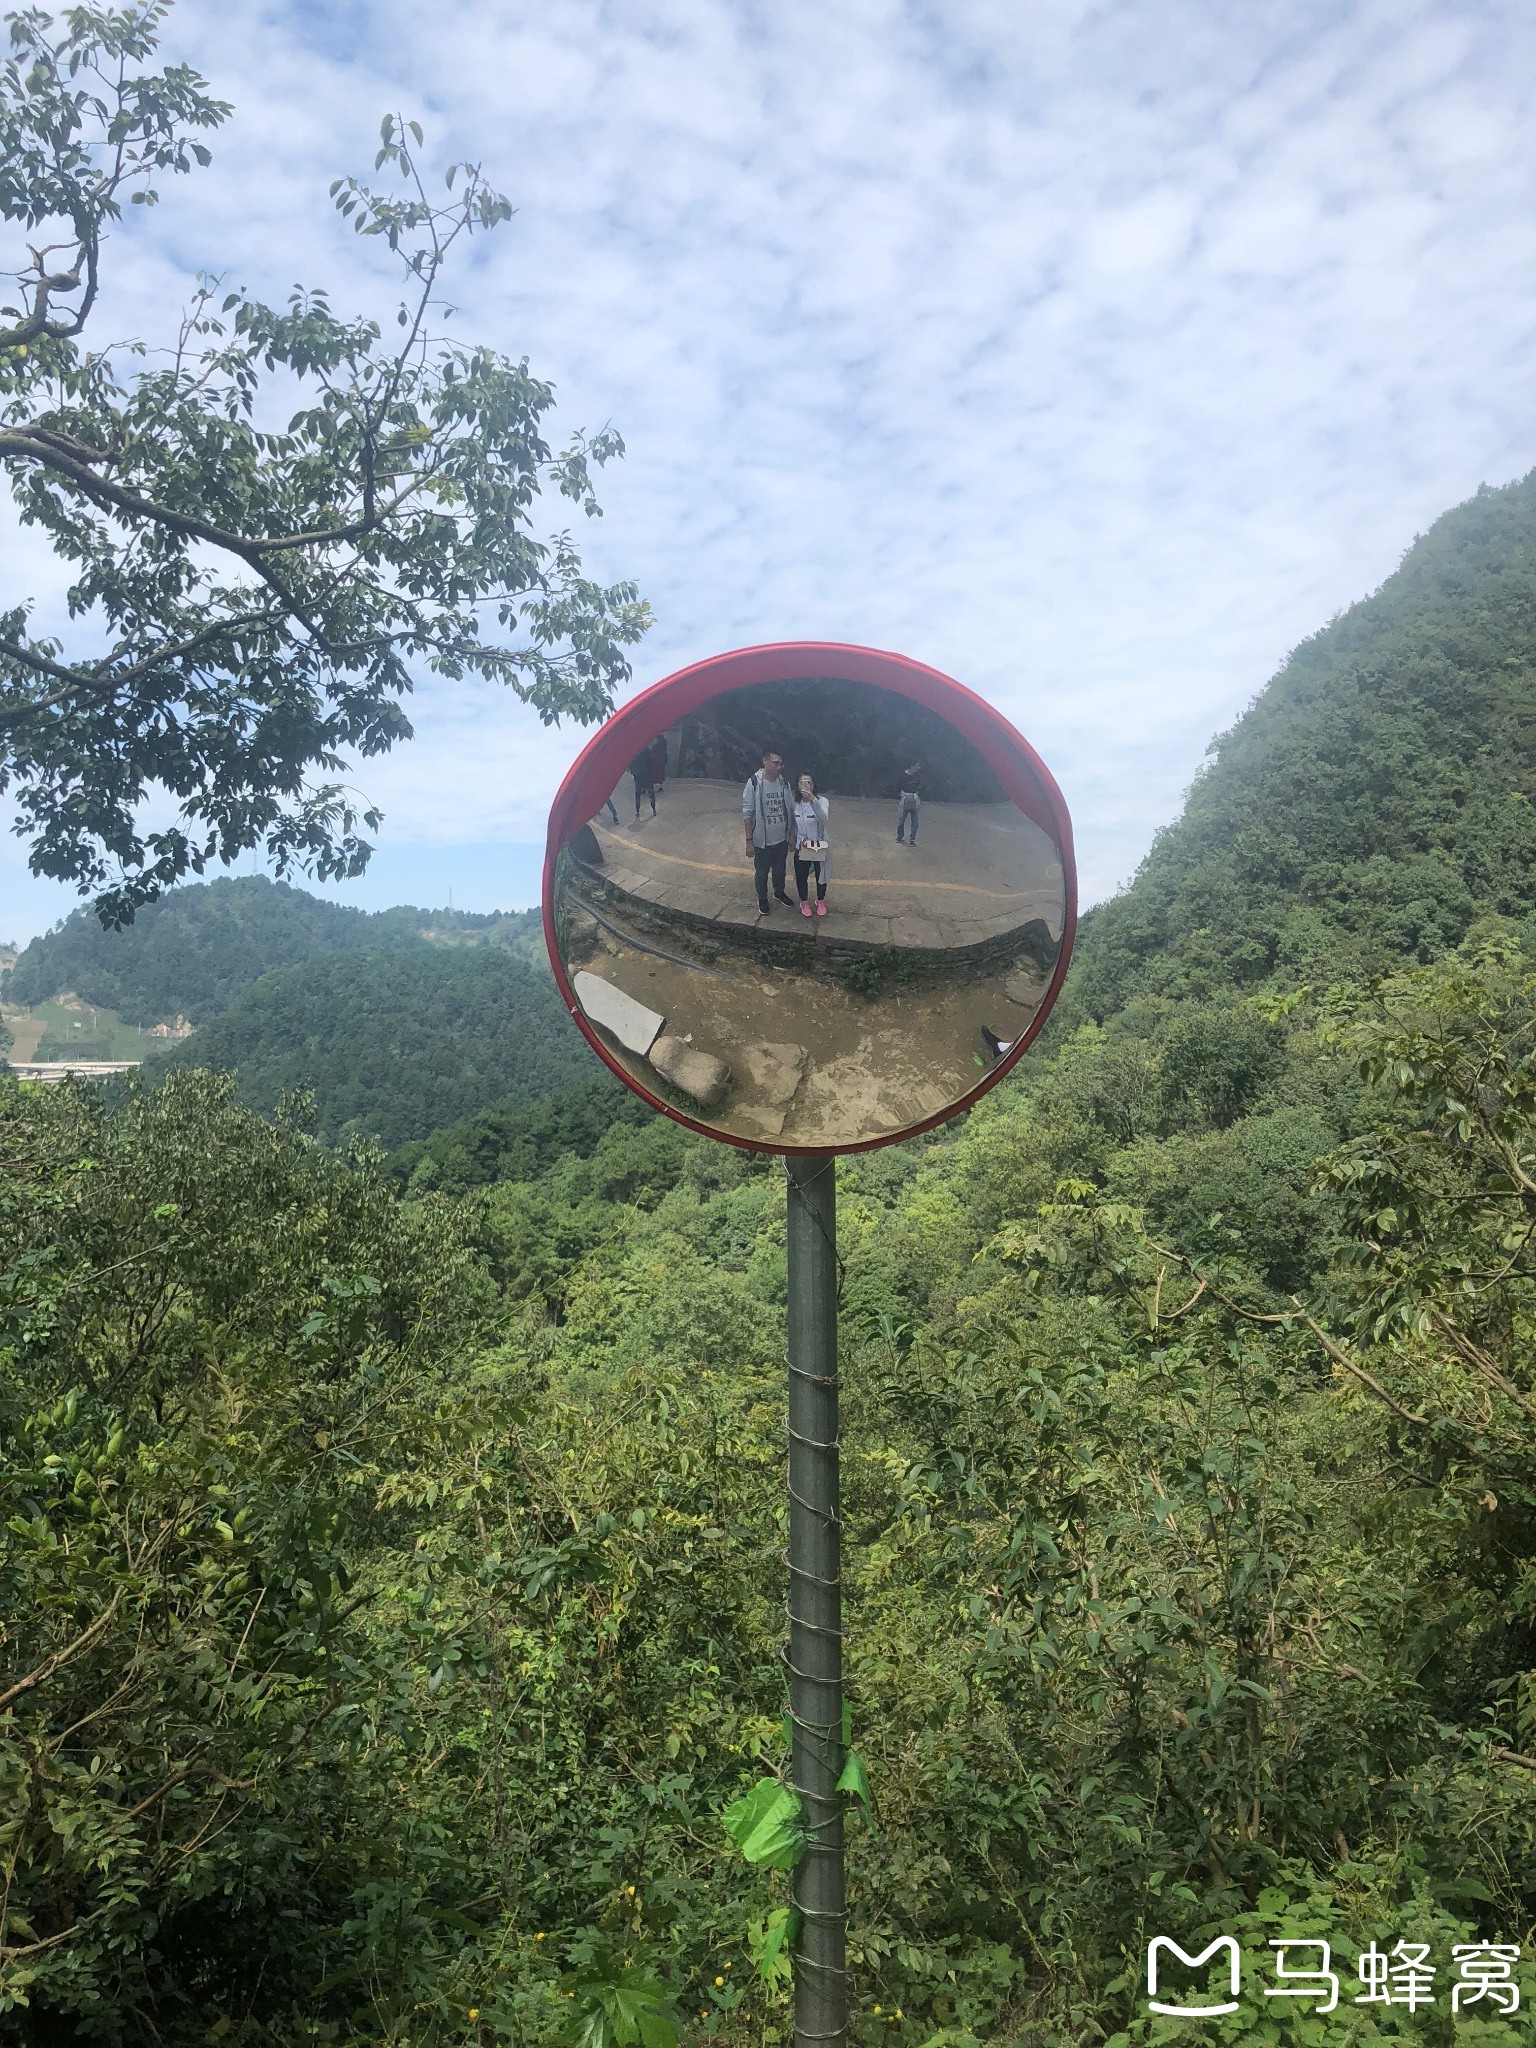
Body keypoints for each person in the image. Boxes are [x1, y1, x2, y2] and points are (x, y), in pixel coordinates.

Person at [742, 746, 793, 913]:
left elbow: (790, 810)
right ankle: (762, 899)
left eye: (781, 764)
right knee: (762, 872)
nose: (779, 767)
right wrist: (749, 841)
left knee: (780, 870)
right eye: (775, 763)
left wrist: (791, 834)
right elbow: (747, 813)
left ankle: (779, 892)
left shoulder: (784, 784)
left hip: (781, 839)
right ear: (765, 761)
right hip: (762, 840)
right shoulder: (754, 783)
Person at [792, 771, 830, 917]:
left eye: (809, 783)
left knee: (821, 876)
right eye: (802, 783)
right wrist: (792, 839)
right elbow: (792, 824)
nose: (805, 786)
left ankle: (820, 900)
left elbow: (824, 819)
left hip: (818, 844)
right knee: (801, 876)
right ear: (797, 786)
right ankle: (804, 902)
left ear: (813, 785)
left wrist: (813, 799)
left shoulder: (822, 801)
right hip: (802, 845)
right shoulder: (795, 803)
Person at [896, 756, 923, 845]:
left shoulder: (917, 775)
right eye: (917, 766)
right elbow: (899, 785)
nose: (918, 768)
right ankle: (900, 836)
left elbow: (919, 786)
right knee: (901, 819)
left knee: (915, 821)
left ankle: (912, 839)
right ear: (912, 766)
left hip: (914, 798)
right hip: (905, 797)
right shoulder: (903, 775)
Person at [631, 744, 657, 818]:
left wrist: (634, 773)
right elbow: (651, 762)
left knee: (638, 793)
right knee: (650, 792)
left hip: (639, 776)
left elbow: (632, 763)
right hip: (646, 775)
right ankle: (653, 809)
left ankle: (637, 811)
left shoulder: (635, 751)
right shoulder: (646, 750)